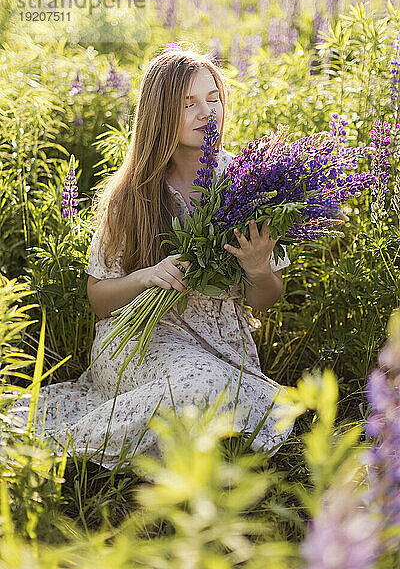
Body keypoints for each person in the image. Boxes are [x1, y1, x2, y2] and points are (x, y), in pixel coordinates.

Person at [12, 43, 294, 472]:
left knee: (216, 389)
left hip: (222, 348)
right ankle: (63, 443)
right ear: (160, 113)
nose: (207, 112)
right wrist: (146, 276)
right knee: (204, 389)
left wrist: (258, 269)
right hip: (136, 343)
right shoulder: (131, 196)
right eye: (189, 103)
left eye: (214, 98)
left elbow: (266, 299)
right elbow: (98, 298)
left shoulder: (247, 184)